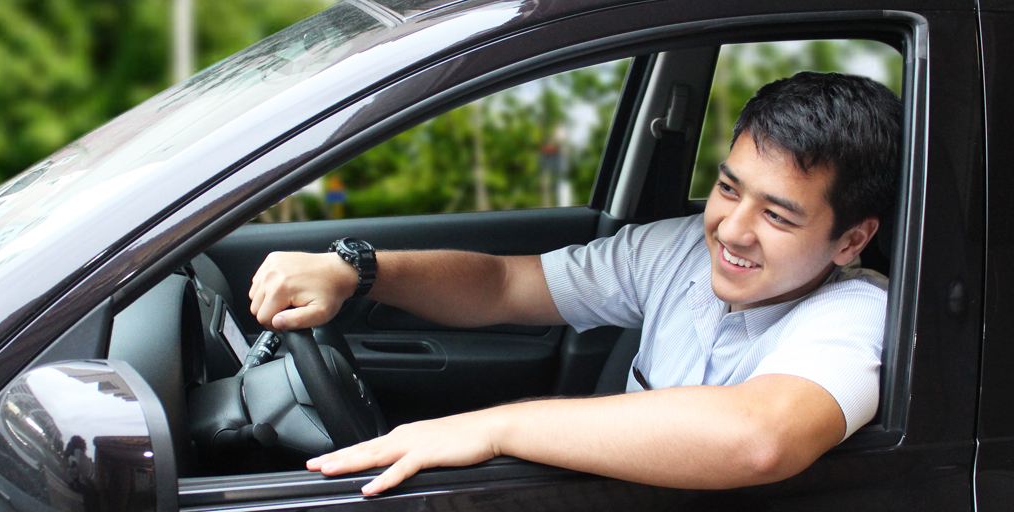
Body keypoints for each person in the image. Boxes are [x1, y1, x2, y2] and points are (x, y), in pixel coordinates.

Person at [248, 71, 902, 496]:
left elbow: (756, 439)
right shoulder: (677, 250)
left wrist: (494, 429)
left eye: (778, 215)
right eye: (728, 188)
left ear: (849, 239)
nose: (732, 230)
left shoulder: (859, 313)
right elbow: (504, 285)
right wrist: (359, 270)